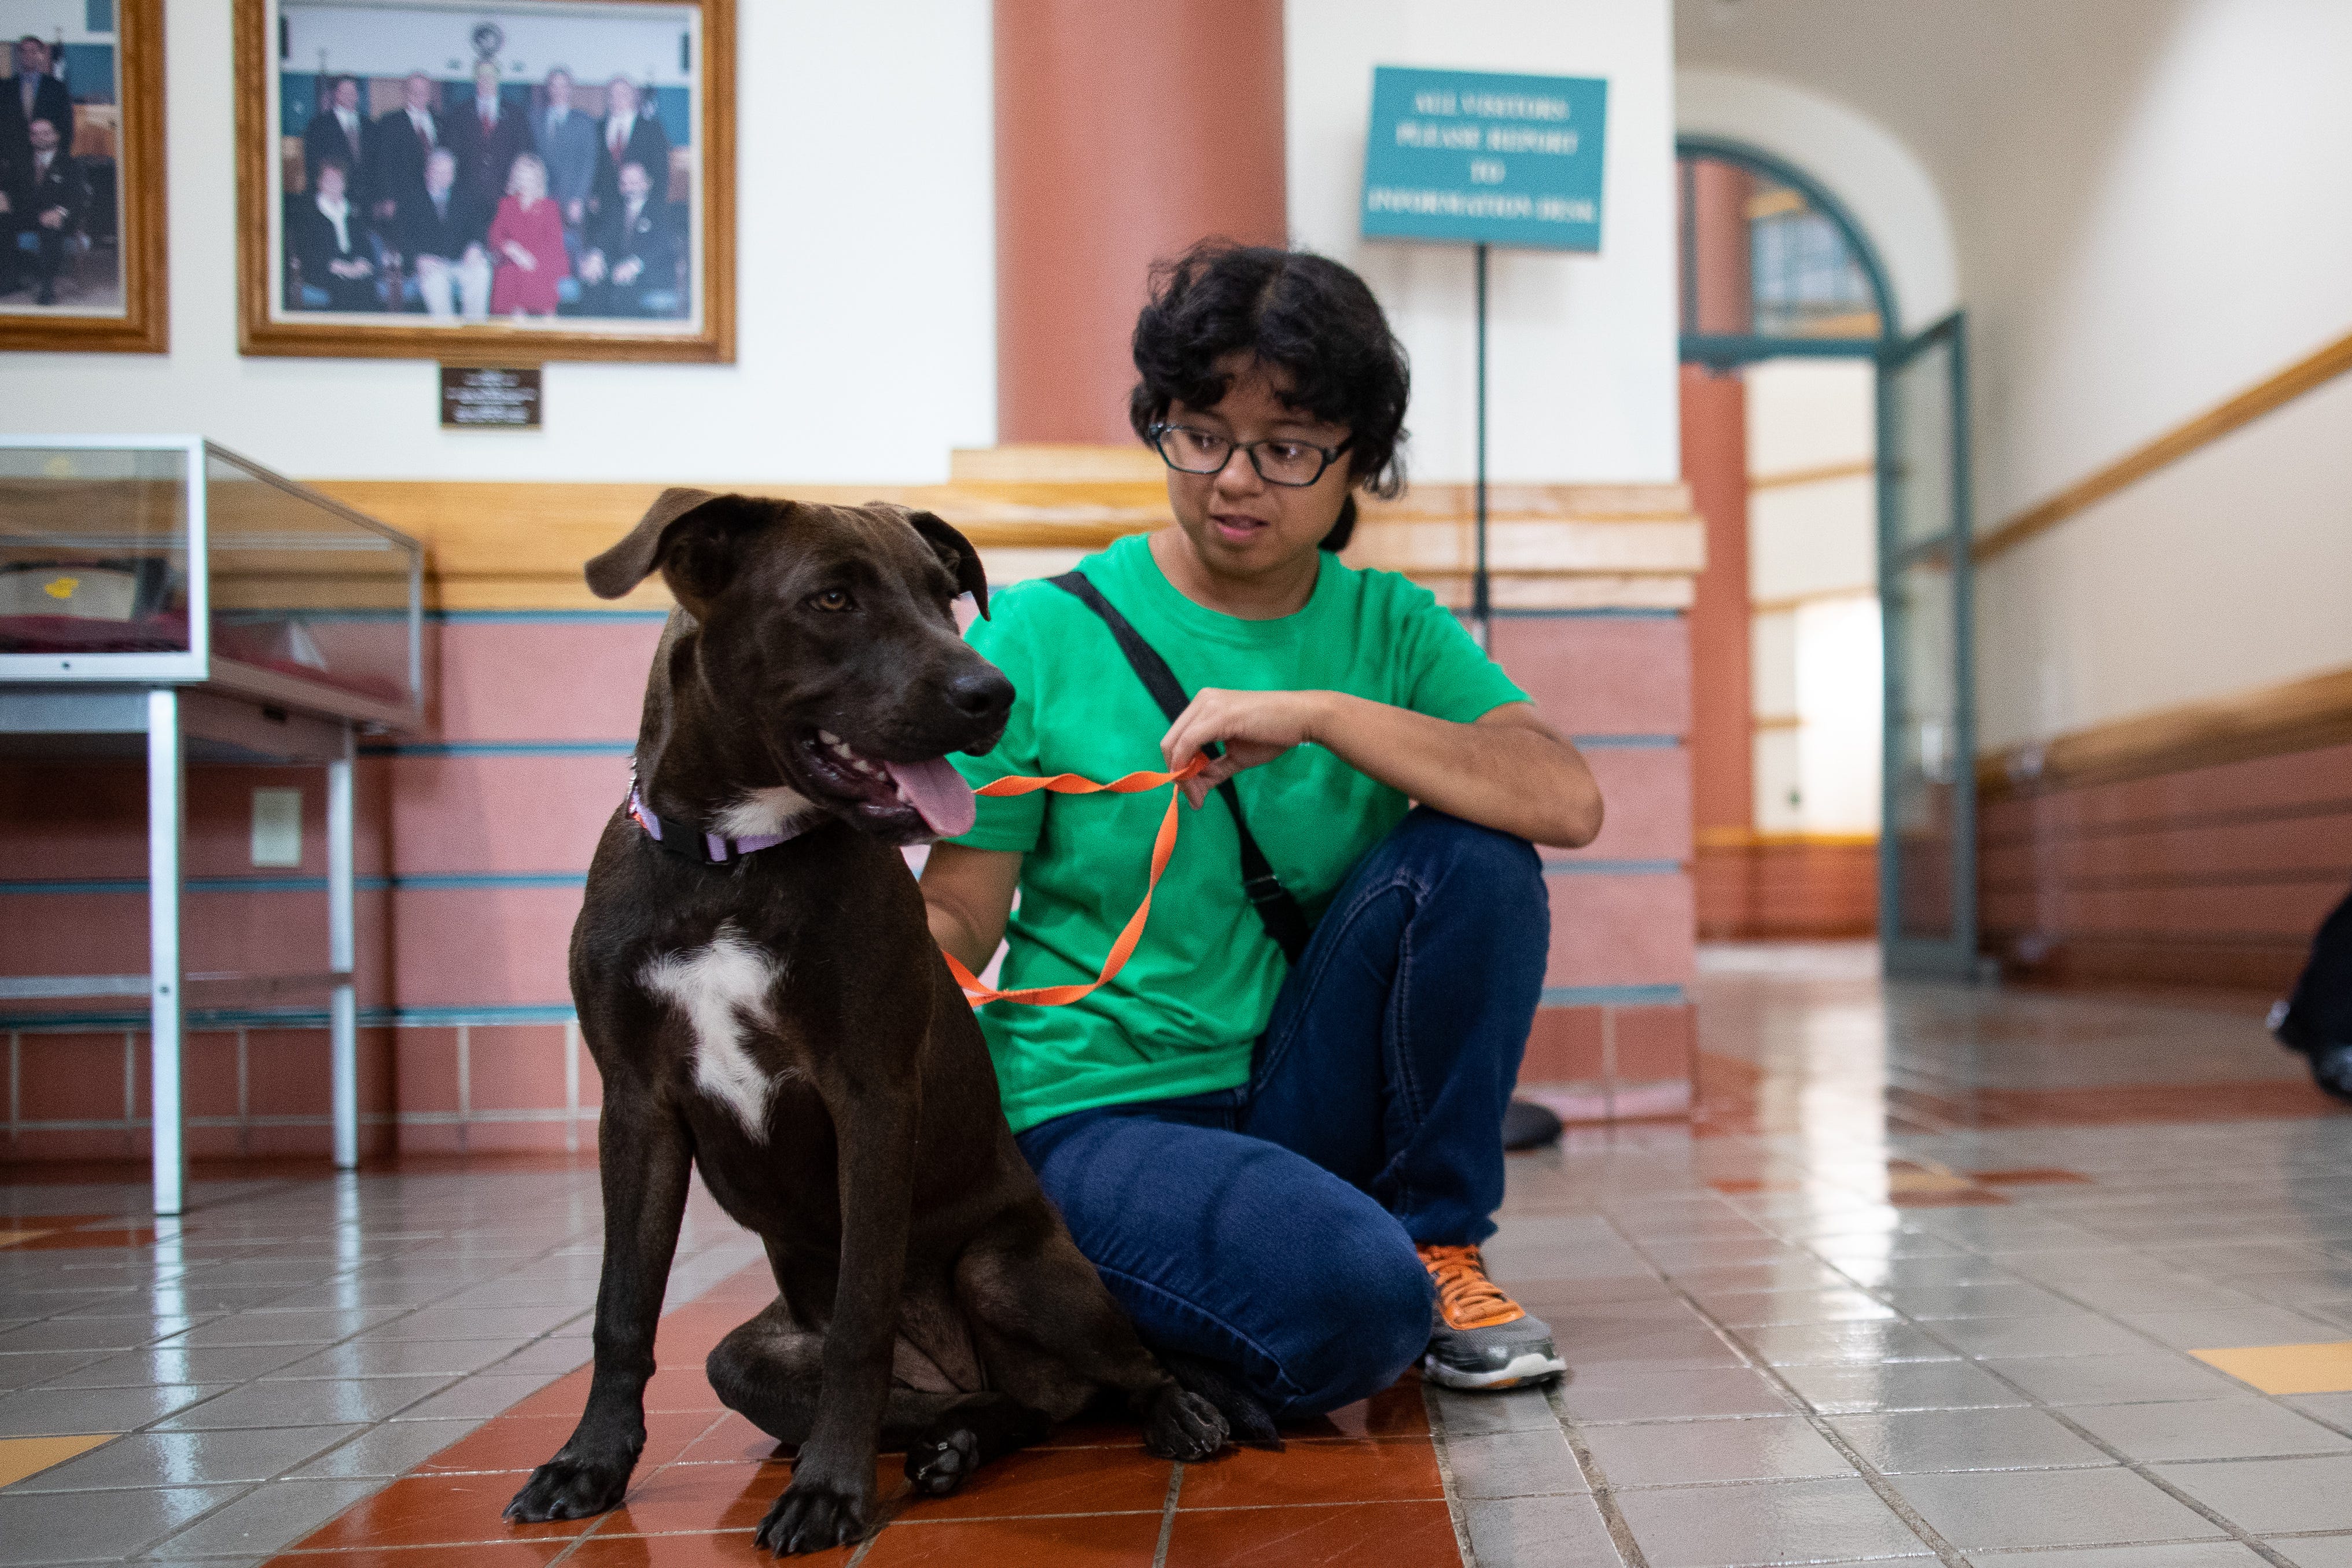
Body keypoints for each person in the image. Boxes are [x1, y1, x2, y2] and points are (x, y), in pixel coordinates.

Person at [921, 241, 1604, 1420]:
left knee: (1477, 853)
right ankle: (1132, 1305)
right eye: (1200, 432)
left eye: (1286, 449)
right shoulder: (1038, 634)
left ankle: (1435, 1244)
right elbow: (960, 919)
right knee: (1350, 1300)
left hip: (1300, 1088)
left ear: (1356, 465)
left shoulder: (1386, 625)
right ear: (1161, 423)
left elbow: (1564, 797)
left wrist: (1328, 715)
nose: (1235, 479)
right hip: (1100, 1107)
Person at [576, 159, 679, 316]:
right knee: (592, 281)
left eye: (635, 182)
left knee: (623, 292)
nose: (629, 187)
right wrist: (596, 257)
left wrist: (634, 265)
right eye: (624, 183)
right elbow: (604, 240)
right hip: (620, 271)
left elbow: (665, 247)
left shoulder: (661, 212)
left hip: (651, 273)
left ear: (647, 183)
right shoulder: (615, 211)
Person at [396, 146, 489, 320]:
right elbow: (401, 235)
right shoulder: (411, 199)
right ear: (427, 173)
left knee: (481, 271)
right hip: (431, 266)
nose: (444, 177)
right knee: (435, 282)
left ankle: (475, 335)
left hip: (461, 262)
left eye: (448, 172)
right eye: (438, 171)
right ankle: (448, 340)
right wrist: (417, 259)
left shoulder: (464, 196)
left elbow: (478, 226)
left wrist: (475, 247)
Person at [5, 116, 81, 304]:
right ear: (31, 138)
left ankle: (47, 287)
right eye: (36, 134)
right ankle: (8, 281)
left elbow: (77, 196)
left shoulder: (70, 164)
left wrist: (60, 212)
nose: (41, 137)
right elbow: (9, 188)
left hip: (57, 215)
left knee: (51, 226)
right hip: (27, 214)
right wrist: (3, 195)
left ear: (56, 136)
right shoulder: (21, 163)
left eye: (46, 133)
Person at [286, 158, 377, 312]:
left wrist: (362, 263)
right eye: (329, 180)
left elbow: (364, 243)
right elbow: (307, 251)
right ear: (320, 183)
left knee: (367, 286)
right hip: (324, 269)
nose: (334, 185)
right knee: (346, 289)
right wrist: (338, 267)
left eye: (338, 180)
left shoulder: (353, 211)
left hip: (353, 265)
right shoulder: (308, 213)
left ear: (344, 184)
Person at [486, 152, 566, 319]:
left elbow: (554, 243)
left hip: (544, 261)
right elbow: (495, 235)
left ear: (538, 180)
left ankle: (543, 318)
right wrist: (510, 248)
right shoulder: (506, 204)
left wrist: (530, 258)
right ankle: (517, 320)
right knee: (507, 275)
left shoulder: (549, 207)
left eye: (530, 178)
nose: (525, 183)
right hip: (514, 260)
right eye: (521, 177)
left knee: (533, 274)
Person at [446, 61, 527, 219]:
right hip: (467, 196)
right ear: (475, 80)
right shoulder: (459, 113)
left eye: (490, 77)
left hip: (505, 194)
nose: (486, 81)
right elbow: (451, 152)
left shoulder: (516, 113)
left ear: (498, 79)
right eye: (481, 77)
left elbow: (524, 151)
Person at [365, 72, 440, 227]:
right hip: (402, 199)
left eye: (424, 92)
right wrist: (387, 197)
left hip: (435, 198)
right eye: (415, 92)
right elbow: (382, 163)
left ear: (429, 95)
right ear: (406, 93)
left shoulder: (441, 122)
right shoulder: (390, 123)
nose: (420, 96)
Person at [590, 75, 668, 220]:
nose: (617, 100)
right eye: (612, 95)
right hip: (606, 208)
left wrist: (655, 205)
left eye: (623, 94)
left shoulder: (651, 128)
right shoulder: (598, 128)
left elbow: (660, 171)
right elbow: (594, 165)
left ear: (634, 97)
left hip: (640, 205)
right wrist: (593, 194)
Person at [532, 67, 597, 231]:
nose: (559, 91)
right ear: (548, 89)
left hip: (571, 200)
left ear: (570, 89)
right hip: (541, 198)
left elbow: (588, 164)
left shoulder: (584, 122)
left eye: (563, 86)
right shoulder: (535, 119)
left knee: (569, 248)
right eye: (554, 85)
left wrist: (579, 199)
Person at [3, 36, 72, 167]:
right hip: (13, 158)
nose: (28, 55)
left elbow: (66, 126)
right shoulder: (5, 87)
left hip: (47, 156)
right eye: (24, 51)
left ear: (42, 55)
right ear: (19, 55)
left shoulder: (56, 88)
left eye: (33, 51)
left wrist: (60, 158)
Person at [303, 76, 368, 195]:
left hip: (366, 196)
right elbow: (313, 163)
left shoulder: (369, 125)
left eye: (353, 92)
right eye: (344, 92)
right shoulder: (319, 125)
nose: (349, 96)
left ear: (358, 95)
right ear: (336, 94)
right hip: (334, 195)